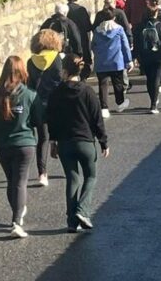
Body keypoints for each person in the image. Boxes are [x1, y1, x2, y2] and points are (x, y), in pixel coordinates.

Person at [0, 56, 42, 239]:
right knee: (20, 181)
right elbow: (39, 120)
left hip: (3, 145)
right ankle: (17, 221)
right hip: (25, 144)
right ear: (22, 71)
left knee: (11, 181)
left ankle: (17, 213)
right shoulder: (30, 94)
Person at [47, 54, 109, 232]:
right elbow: (97, 119)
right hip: (85, 142)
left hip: (65, 142)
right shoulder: (87, 91)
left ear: (64, 71)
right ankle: (82, 210)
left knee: (72, 179)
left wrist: (53, 142)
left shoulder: (56, 92)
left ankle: (71, 221)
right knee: (91, 176)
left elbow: (52, 119)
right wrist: (103, 141)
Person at [27, 29, 63, 188]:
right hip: (57, 101)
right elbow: (61, 80)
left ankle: (42, 173)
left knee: (42, 138)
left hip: (39, 102)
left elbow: (30, 85)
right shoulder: (57, 59)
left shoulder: (31, 61)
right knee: (63, 134)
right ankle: (60, 152)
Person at [92, 8, 133, 117]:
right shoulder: (119, 29)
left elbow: (93, 46)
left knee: (103, 85)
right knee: (118, 83)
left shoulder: (97, 30)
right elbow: (125, 46)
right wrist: (129, 60)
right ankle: (120, 103)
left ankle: (104, 107)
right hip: (116, 61)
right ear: (114, 17)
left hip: (101, 62)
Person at [133, 0, 161, 113]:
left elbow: (136, 42)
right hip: (158, 55)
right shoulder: (160, 25)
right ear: (156, 13)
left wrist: (135, 55)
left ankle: (152, 100)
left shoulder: (139, 26)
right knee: (156, 78)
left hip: (145, 55)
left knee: (149, 79)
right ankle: (154, 104)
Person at [67, 0, 93, 80]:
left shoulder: (65, 9)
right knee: (83, 55)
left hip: (69, 39)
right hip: (82, 37)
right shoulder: (81, 10)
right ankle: (83, 75)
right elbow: (88, 26)